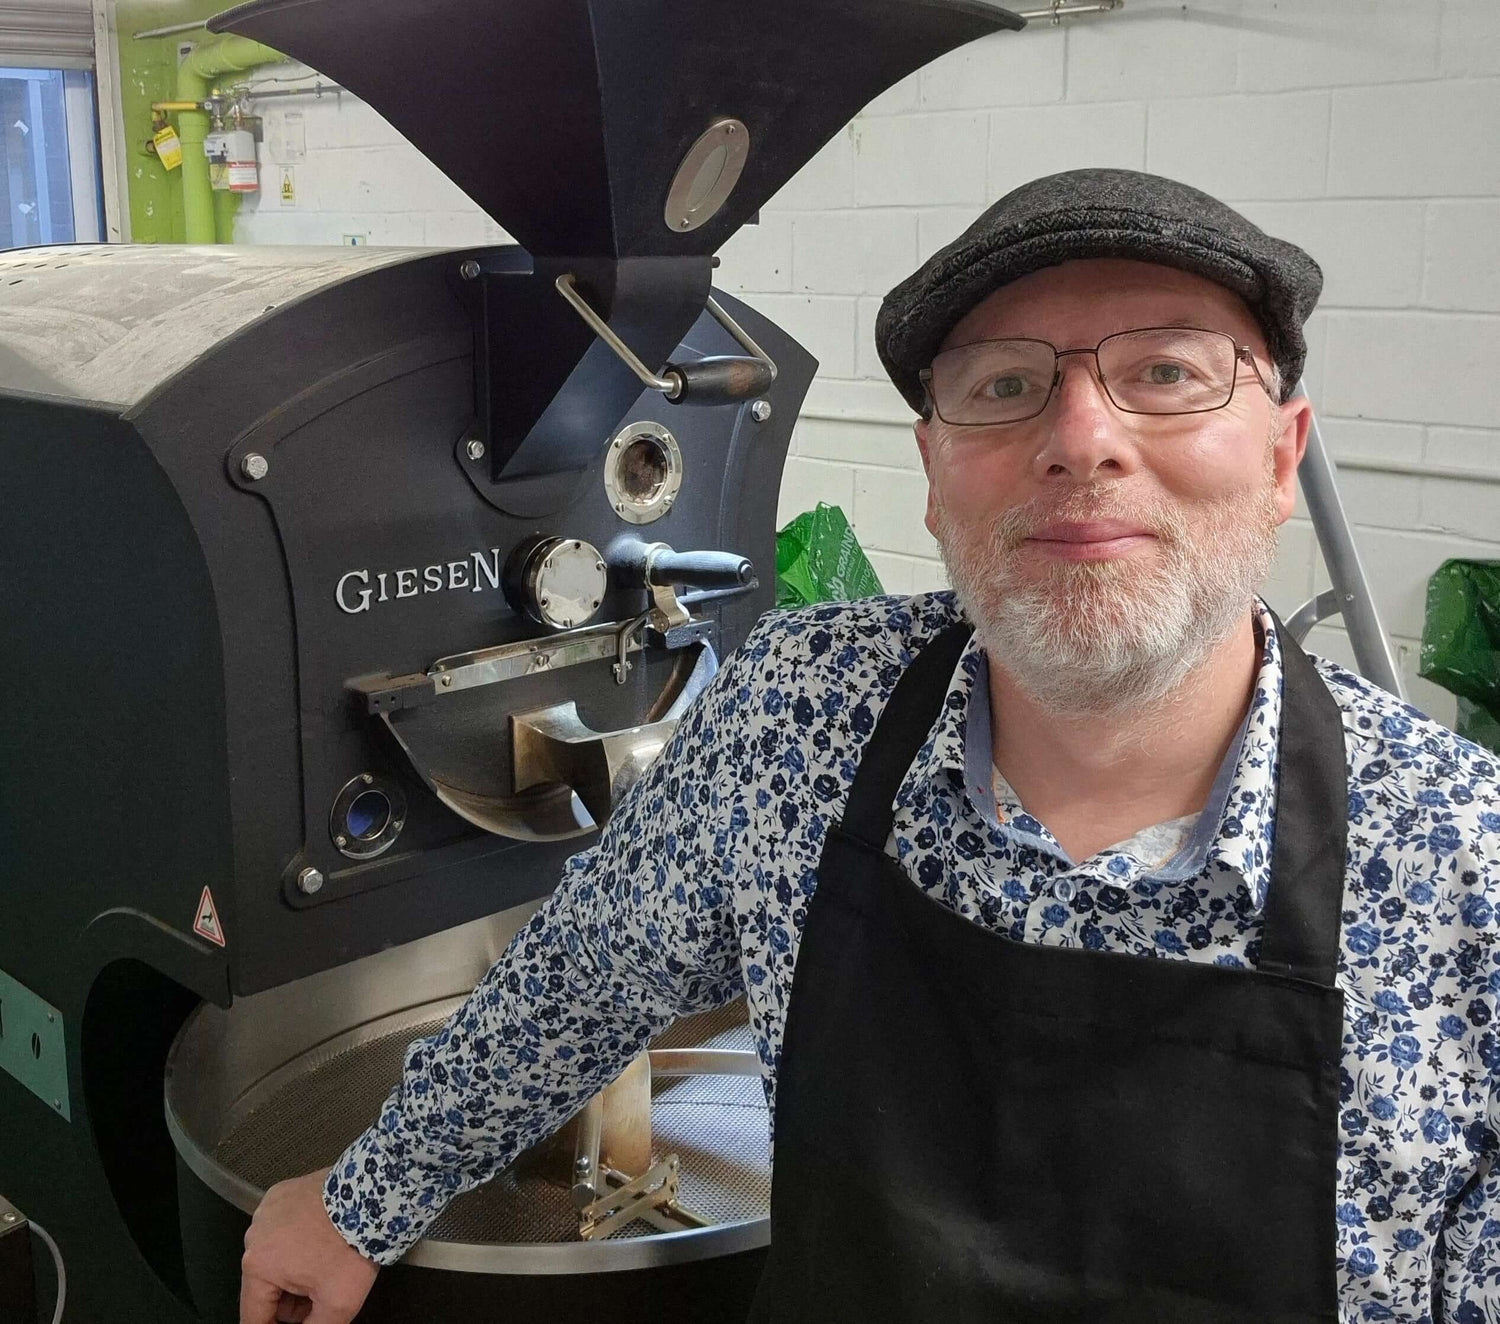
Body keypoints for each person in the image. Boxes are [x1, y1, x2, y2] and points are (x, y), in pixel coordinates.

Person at [240, 168, 1500, 1324]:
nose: (1080, 436)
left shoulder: (1464, 862)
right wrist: (361, 1200)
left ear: (1283, 457)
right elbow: (579, 979)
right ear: (937, 473)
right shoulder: (804, 715)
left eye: (1169, 373)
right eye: (1002, 386)